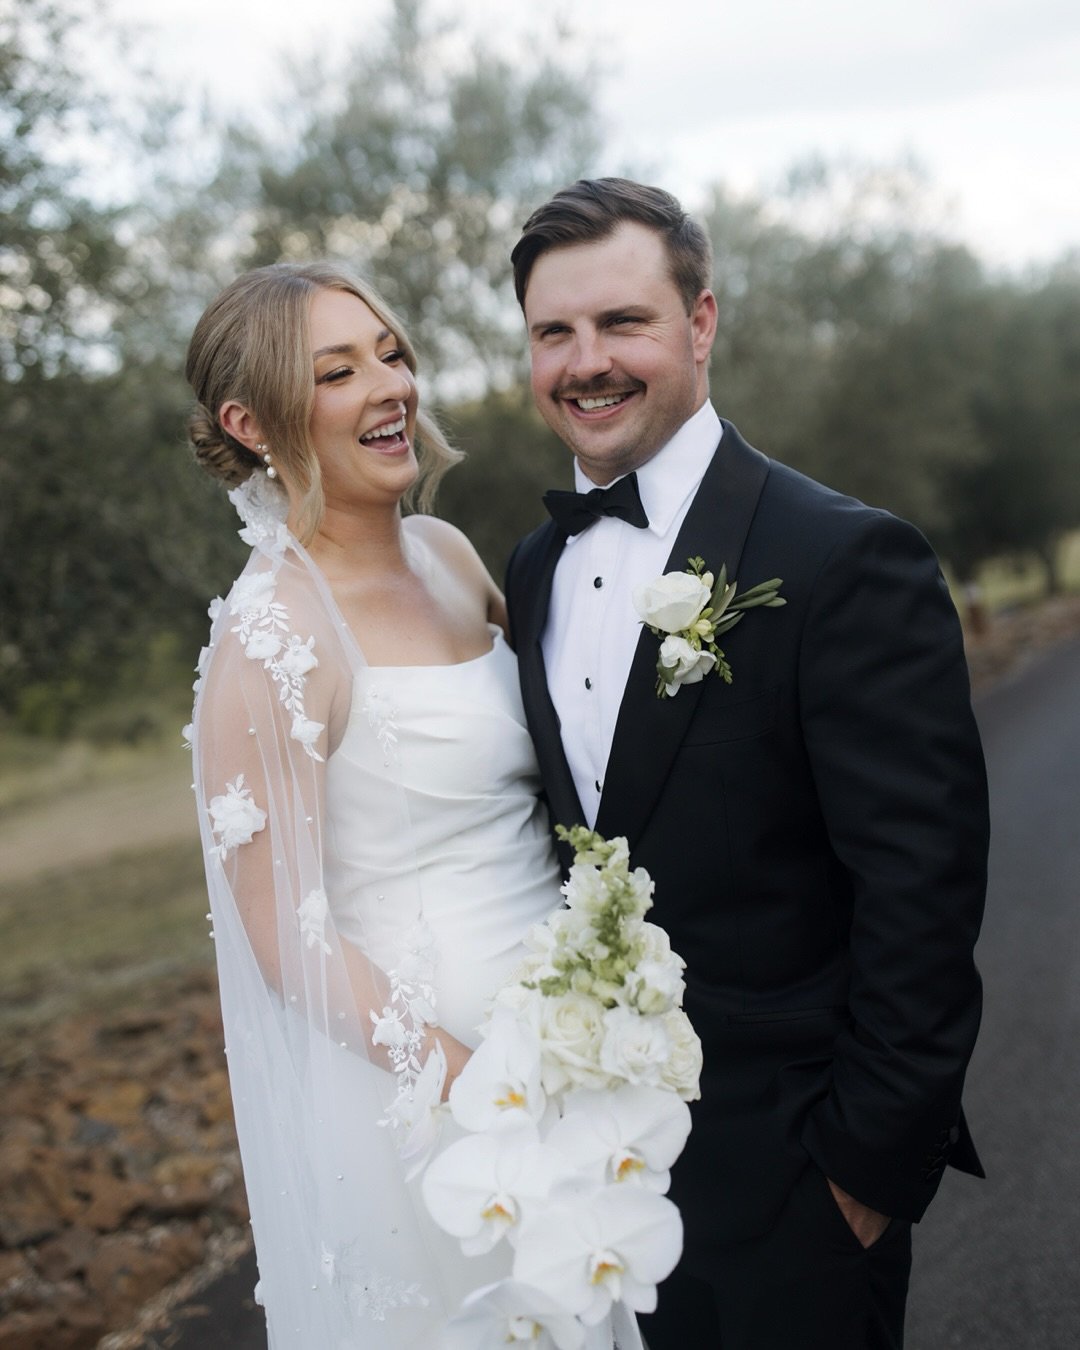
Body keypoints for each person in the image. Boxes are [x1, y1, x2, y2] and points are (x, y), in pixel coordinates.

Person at [505, 178, 990, 1350]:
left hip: (795, 1183)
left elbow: (922, 889)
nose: (588, 363)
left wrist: (864, 1174)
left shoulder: (843, 558)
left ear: (702, 323)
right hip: (598, 1181)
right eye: (553, 333)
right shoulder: (528, 570)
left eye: (624, 322)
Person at [184, 261, 644, 1348]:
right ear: (251, 423)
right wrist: (474, 1083)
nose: (389, 386)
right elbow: (286, 942)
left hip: (580, 1034)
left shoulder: (447, 553)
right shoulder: (272, 639)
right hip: (442, 1092)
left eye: (390, 352)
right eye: (338, 371)